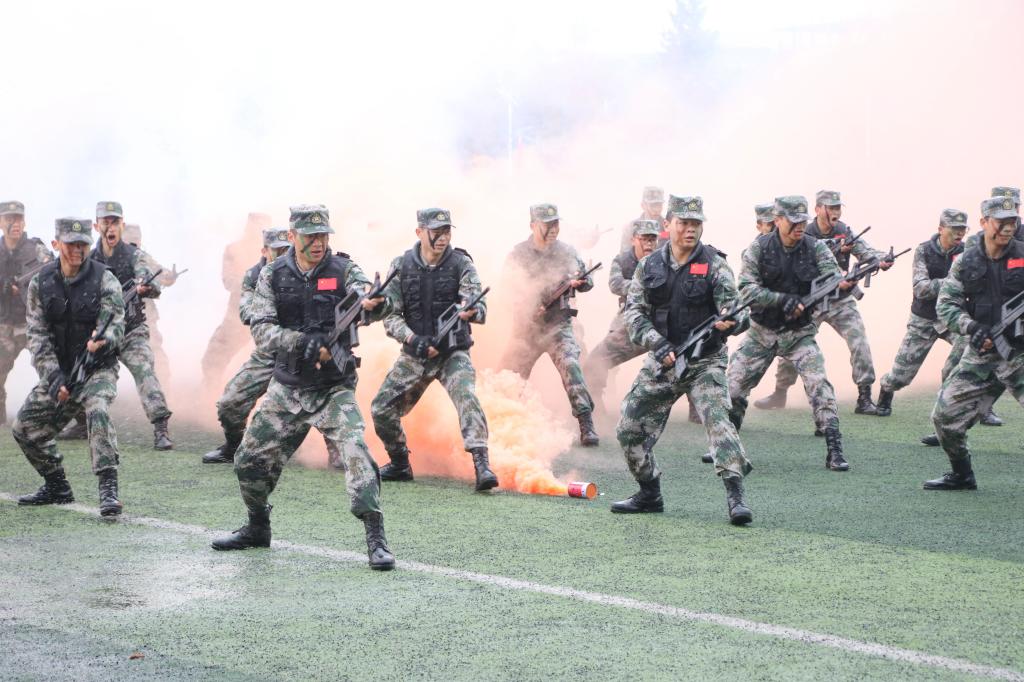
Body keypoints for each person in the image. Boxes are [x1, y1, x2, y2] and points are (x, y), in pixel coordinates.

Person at [211, 205, 394, 571]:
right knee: (248, 460)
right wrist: (300, 342)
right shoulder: (273, 274)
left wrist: (376, 303)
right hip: (287, 388)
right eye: (310, 236)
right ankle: (257, 527)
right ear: (292, 236)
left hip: (333, 389)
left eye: (323, 235)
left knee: (356, 452)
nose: (318, 243)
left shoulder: (343, 269)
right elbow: (262, 329)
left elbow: (368, 301)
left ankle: (376, 539)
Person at [610, 196, 753, 524]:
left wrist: (732, 322)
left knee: (719, 422)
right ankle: (649, 493)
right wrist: (657, 343)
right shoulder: (649, 265)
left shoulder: (715, 264)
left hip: (705, 361)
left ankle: (736, 498)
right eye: (683, 223)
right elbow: (634, 312)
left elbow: (738, 312)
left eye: (696, 224)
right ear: (668, 225)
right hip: (663, 359)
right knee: (628, 429)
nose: (690, 229)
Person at [371, 208, 497, 491]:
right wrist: (412, 339)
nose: (443, 237)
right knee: (381, 408)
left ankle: (482, 465)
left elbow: (479, 305)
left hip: (453, 353)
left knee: (466, 396)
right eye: (436, 231)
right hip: (415, 354)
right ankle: (400, 464)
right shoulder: (401, 265)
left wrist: (472, 310)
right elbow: (389, 315)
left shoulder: (461, 263)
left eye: (447, 231)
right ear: (419, 232)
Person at [728, 195, 850, 471]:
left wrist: (836, 288)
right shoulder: (759, 248)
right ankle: (726, 445)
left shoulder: (815, 247)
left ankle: (835, 449)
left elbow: (833, 277)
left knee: (820, 385)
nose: (800, 226)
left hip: (799, 334)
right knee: (733, 388)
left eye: (803, 221)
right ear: (778, 220)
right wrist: (781, 300)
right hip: (762, 332)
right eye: (793, 221)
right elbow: (745, 288)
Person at [14, 217, 126, 516]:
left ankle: (108, 489)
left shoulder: (105, 279)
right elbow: (37, 336)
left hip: (98, 369)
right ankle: (57, 485)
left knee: (97, 409)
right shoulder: (40, 283)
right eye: (71, 244)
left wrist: (103, 341)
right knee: (24, 428)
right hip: (61, 370)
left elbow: (116, 325)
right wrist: (54, 379)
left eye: (83, 244)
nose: (78, 250)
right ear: (55, 244)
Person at [753, 190, 891, 418]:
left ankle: (864, 397)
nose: (835, 212)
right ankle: (780, 393)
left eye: (838, 207)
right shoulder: (802, 232)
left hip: (840, 300)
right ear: (817, 209)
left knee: (859, 341)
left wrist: (882, 258)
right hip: (812, 300)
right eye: (831, 207)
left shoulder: (845, 232)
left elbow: (867, 252)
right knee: (792, 344)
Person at [925, 196, 1024, 491]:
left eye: (1013, 221)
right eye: (1001, 222)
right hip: (983, 353)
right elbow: (946, 304)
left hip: (1020, 353)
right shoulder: (966, 261)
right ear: (983, 222)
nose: (1008, 228)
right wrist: (971, 327)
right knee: (944, 416)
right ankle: (962, 474)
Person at [499, 203, 600, 446]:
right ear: (533, 225)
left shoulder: (567, 252)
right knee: (508, 377)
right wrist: (528, 308)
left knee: (571, 366)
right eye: (548, 224)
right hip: (527, 329)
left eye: (556, 224)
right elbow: (507, 290)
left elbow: (587, 281)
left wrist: (582, 281)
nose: (553, 229)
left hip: (558, 326)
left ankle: (586, 422)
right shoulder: (518, 254)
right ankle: (502, 423)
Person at [202, 227, 299, 464]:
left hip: (301, 352)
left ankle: (335, 450)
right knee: (229, 402)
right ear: (264, 251)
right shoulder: (254, 276)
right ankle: (234, 446)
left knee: (322, 399)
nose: (283, 255)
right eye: (277, 251)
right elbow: (247, 312)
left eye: (287, 250)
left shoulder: (303, 272)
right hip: (268, 353)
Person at [89, 201, 173, 450]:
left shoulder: (134, 255)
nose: (110, 227)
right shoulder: (89, 259)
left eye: (115, 222)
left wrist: (146, 287)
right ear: (96, 226)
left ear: (122, 225)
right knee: (84, 376)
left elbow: (152, 282)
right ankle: (81, 422)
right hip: (101, 333)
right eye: (105, 222)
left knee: (145, 372)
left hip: (131, 330)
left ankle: (161, 428)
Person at [875, 210, 968, 417]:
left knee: (971, 347)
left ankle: (958, 400)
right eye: (954, 229)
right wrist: (954, 282)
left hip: (952, 317)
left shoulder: (968, 252)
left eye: (963, 229)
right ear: (941, 229)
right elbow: (921, 289)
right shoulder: (924, 251)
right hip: (924, 319)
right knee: (900, 376)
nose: (960, 233)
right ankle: (886, 390)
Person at [582, 218, 660, 411]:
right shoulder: (623, 260)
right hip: (631, 317)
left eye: (652, 239)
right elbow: (615, 284)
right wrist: (642, 287)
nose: (649, 244)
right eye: (644, 239)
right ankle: (596, 404)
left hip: (662, 320)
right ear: (633, 239)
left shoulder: (666, 260)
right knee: (596, 361)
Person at [201, 213, 269, 390]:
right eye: (255, 226)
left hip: (273, 316)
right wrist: (250, 283)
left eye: (262, 226)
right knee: (212, 359)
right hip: (239, 316)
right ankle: (210, 395)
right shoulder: (234, 250)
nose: (257, 230)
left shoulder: (280, 250)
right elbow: (228, 280)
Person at [0, 201, 53, 424]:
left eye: (19, 219)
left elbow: (53, 270)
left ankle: (65, 416)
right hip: (4, 324)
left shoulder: (36, 249)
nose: (15, 223)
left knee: (52, 368)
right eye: (9, 219)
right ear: (1, 222)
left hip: (33, 322)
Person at [123, 223, 183, 388]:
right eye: (130, 240)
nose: (134, 243)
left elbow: (162, 275)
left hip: (143, 316)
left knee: (156, 354)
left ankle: (163, 390)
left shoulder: (143, 258)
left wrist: (171, 277)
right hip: (115, 316)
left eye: (136, 240)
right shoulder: (111, 256)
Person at [619, 186, 667, 252]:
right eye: (653, 205)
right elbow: (625, 254)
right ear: (643, 205)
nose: (657, 209)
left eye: (659, 205)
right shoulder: (630, 228)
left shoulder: (668, 227)